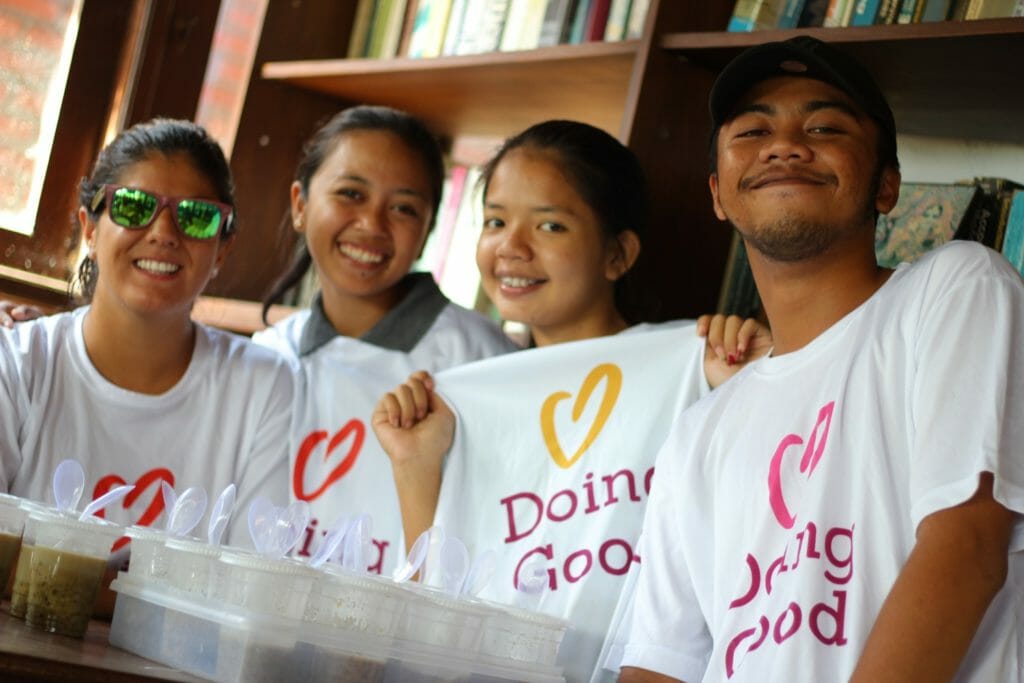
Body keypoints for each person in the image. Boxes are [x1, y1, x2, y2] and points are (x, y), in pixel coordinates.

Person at [618, 36, 1023, 683]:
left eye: (826, 126)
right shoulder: (699, 432)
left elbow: (969, 548)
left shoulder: (955, 291)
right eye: (752, 130)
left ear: (887, 184)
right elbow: (660, 661)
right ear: (719, 195)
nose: (785, 144)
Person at [373, 120, 772, 682]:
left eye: (551, 225)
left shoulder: (693, 367)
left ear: (618, 254)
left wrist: (738, 366)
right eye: (494, 221)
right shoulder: (464, 399)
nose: (511, 247)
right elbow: (432, 613)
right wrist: (414, 467)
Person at [251, 105, 517, 573]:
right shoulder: (268, 356)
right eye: (350, 194)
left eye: (403, 208)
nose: (372, 224)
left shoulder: (482, 360)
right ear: (300, 205)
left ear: (429, 229)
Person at [0, 118, 294, 541]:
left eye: (196, 217)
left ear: (222, 250)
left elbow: (247, 585)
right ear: (90, 228)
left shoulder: (262, 386)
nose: (163, 233)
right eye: (134, 206)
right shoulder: (20, 361)